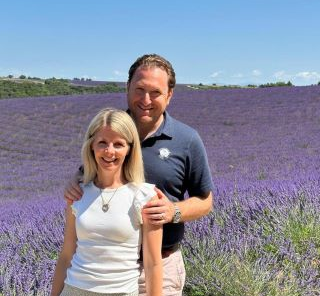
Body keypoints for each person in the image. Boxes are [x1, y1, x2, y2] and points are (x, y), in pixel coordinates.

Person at [64, 54, 214, 296]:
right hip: (104, 271)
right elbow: (91, 172)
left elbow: (205, 202)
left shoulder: (187, 140)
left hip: (161, 266)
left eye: (155, 92)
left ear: (169, 95)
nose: (146, 99)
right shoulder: (110, 131)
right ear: (127, 88)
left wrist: (172, 211)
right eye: (139, 89)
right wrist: (75, 179)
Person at [51, 108, 163, 296]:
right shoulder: (78, 194)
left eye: (118, 144)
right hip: (74, 290)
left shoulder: (144, 196)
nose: (109, 151)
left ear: (129, 149)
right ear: (91, 146)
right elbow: (66, 255)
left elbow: (153, 264)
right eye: (102, 143)